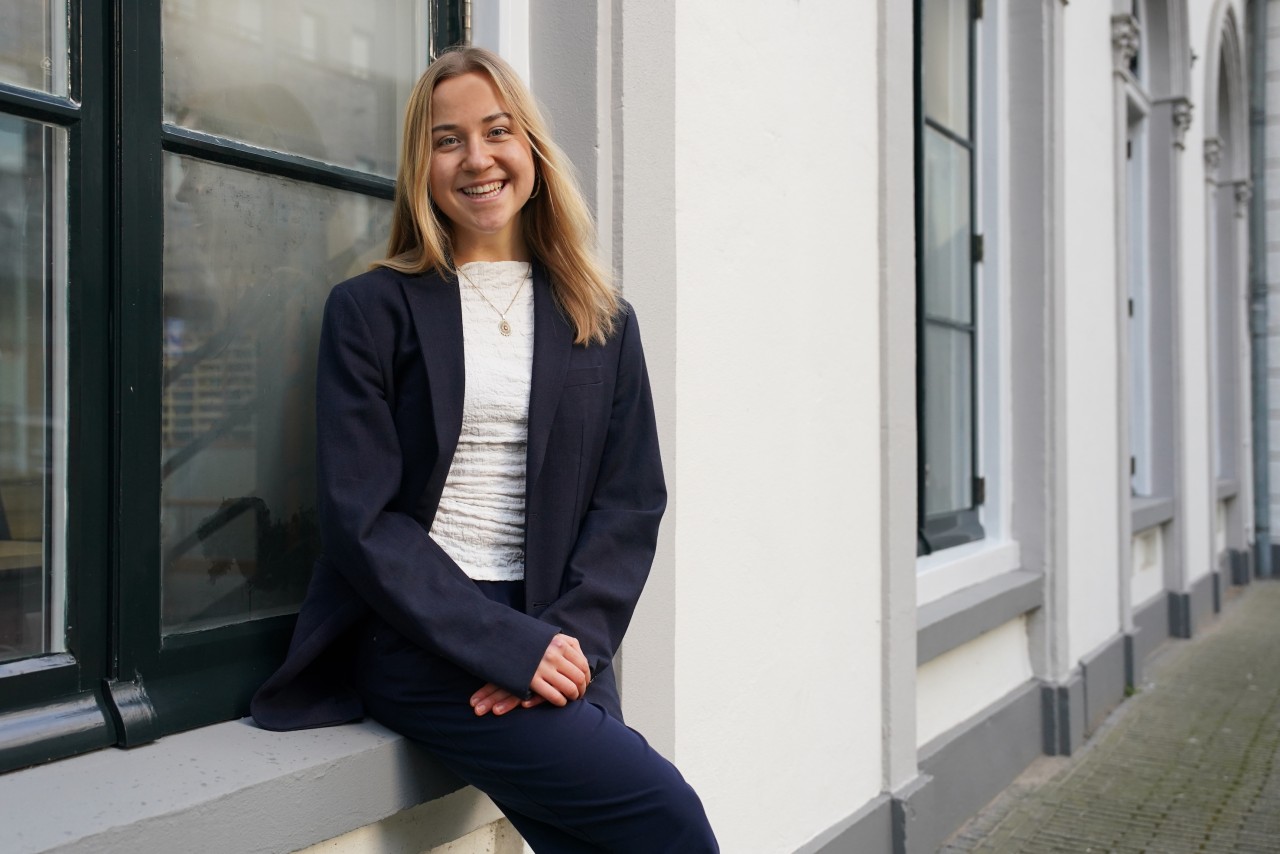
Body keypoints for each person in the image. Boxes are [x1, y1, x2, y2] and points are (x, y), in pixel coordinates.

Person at [250, 46, 719, 852]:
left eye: (497, 131)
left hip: (558, 630)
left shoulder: (601, 319)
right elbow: (361, 518)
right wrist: (503, 645)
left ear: (530, 148)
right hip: (419, 634)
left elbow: (630, 500)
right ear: (422, 166)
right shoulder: (370, 310)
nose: (477, 159)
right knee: (665, 819)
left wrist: (561, 641)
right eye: (447, 140)